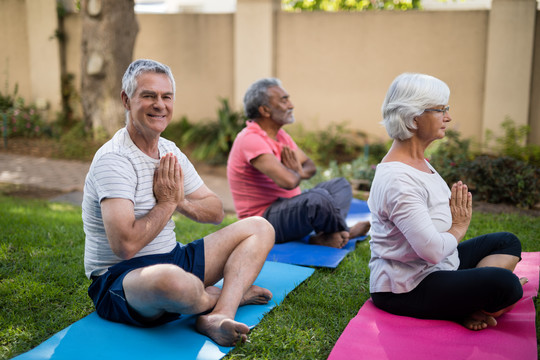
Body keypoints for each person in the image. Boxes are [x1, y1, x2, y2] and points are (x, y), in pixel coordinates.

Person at [82, 59, 274, 347]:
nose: (160, 104)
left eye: (166, 96)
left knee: (260, 227)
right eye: (149, 95)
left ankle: (219, 313)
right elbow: (125, 246)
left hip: (173, 257)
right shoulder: (114, 160)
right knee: (172, 281)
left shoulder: (169, 151)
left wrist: (179, 201)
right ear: (126, 100)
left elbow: (215, 211)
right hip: (122, 277)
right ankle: (230, 294)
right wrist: (167, 204)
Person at [368, 72, 526, 330]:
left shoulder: (419, 162)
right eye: (441, 110)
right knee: (507, 285)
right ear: (414, 116)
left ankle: (469, 302)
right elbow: (430, 251)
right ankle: (471, 303)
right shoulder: (398, 179)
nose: (448, 117)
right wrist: (459, 227)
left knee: (507, 241)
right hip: (406, 287)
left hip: (441, 265)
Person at [227, 77, 370, 249]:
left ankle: (330, 235)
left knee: (340, 185)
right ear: (265, 110)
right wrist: (296, 173)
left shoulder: (280, 136)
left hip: (289, 209)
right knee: (317, 199)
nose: (291, 105)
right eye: (284, 100)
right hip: (262, 221)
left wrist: (299, 173)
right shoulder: (250, 139)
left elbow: (309, 165)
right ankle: (345, 232)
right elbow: (288, 182)